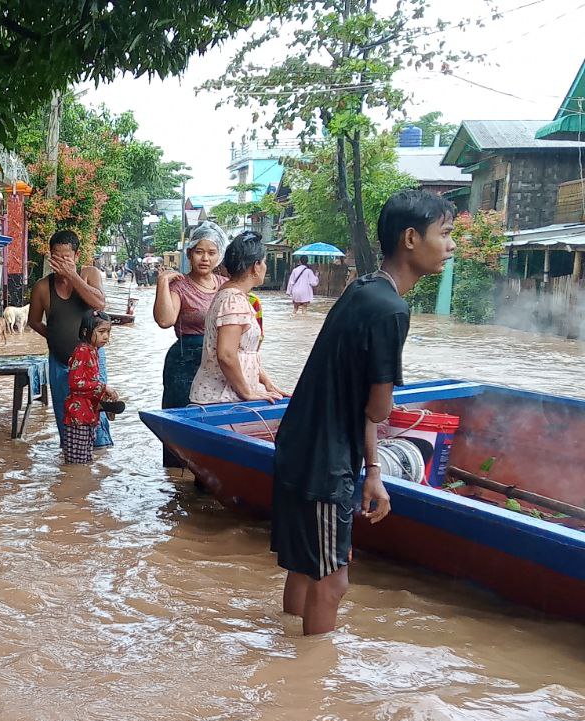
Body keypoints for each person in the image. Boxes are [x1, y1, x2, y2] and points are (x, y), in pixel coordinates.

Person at [271, 189, 456, 635]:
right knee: (334, 580)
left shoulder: (364, 288)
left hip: (301, 444)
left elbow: (361, 403)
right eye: (445, 234)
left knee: (304, 565)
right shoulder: (392, 309)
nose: (451, 246)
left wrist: (371, 468)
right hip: (323, 460)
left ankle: (284, 656)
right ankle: (310, 690)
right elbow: (378, 406)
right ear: (411, 238)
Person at [152, 222, 227, 467]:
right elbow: (165, 320)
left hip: (219, 361)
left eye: (211, 252)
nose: (205, 258)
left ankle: (208, 477)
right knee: (179, 421)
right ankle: (175, 480)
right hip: (184, 362)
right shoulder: (179, 286)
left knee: (214, 421)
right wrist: (162, 283)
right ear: (189, 254)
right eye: (199, 251)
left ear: (219, 255)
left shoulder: (226, 286)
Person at [28, 229, 111, 449]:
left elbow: (99, 304)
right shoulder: (42, 287)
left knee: (96, 414)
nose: (61, 262)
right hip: (59, 363)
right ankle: (72, 458)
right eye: (56, 257)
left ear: (76, 256)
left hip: (91, 362)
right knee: (66, 417)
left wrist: (73, 276)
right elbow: (34, 322)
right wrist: (55, 338)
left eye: (66, 257)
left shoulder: (89, 274)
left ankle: (99, 462)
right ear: (49, 256)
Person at [189, 232, 286, 406]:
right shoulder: (234, 300)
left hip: (227, 397)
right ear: (256, 266)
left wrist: (266, 383)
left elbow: (244, 353)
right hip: (221, 399)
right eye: (263, 262)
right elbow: (226, 355)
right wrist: (247, 393)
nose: (265, 267)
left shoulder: (233, 296)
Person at [63, 313, 120, 464]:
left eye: (108, 332)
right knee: (78, 463)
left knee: (85, 461)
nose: (106, 337)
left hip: (88, 413)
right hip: (79, 416)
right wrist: (103, 387)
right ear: (85, 332)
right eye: (101, 332)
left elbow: (87, 381)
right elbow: (75, 383)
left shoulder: (92, 350)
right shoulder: (83, 351)